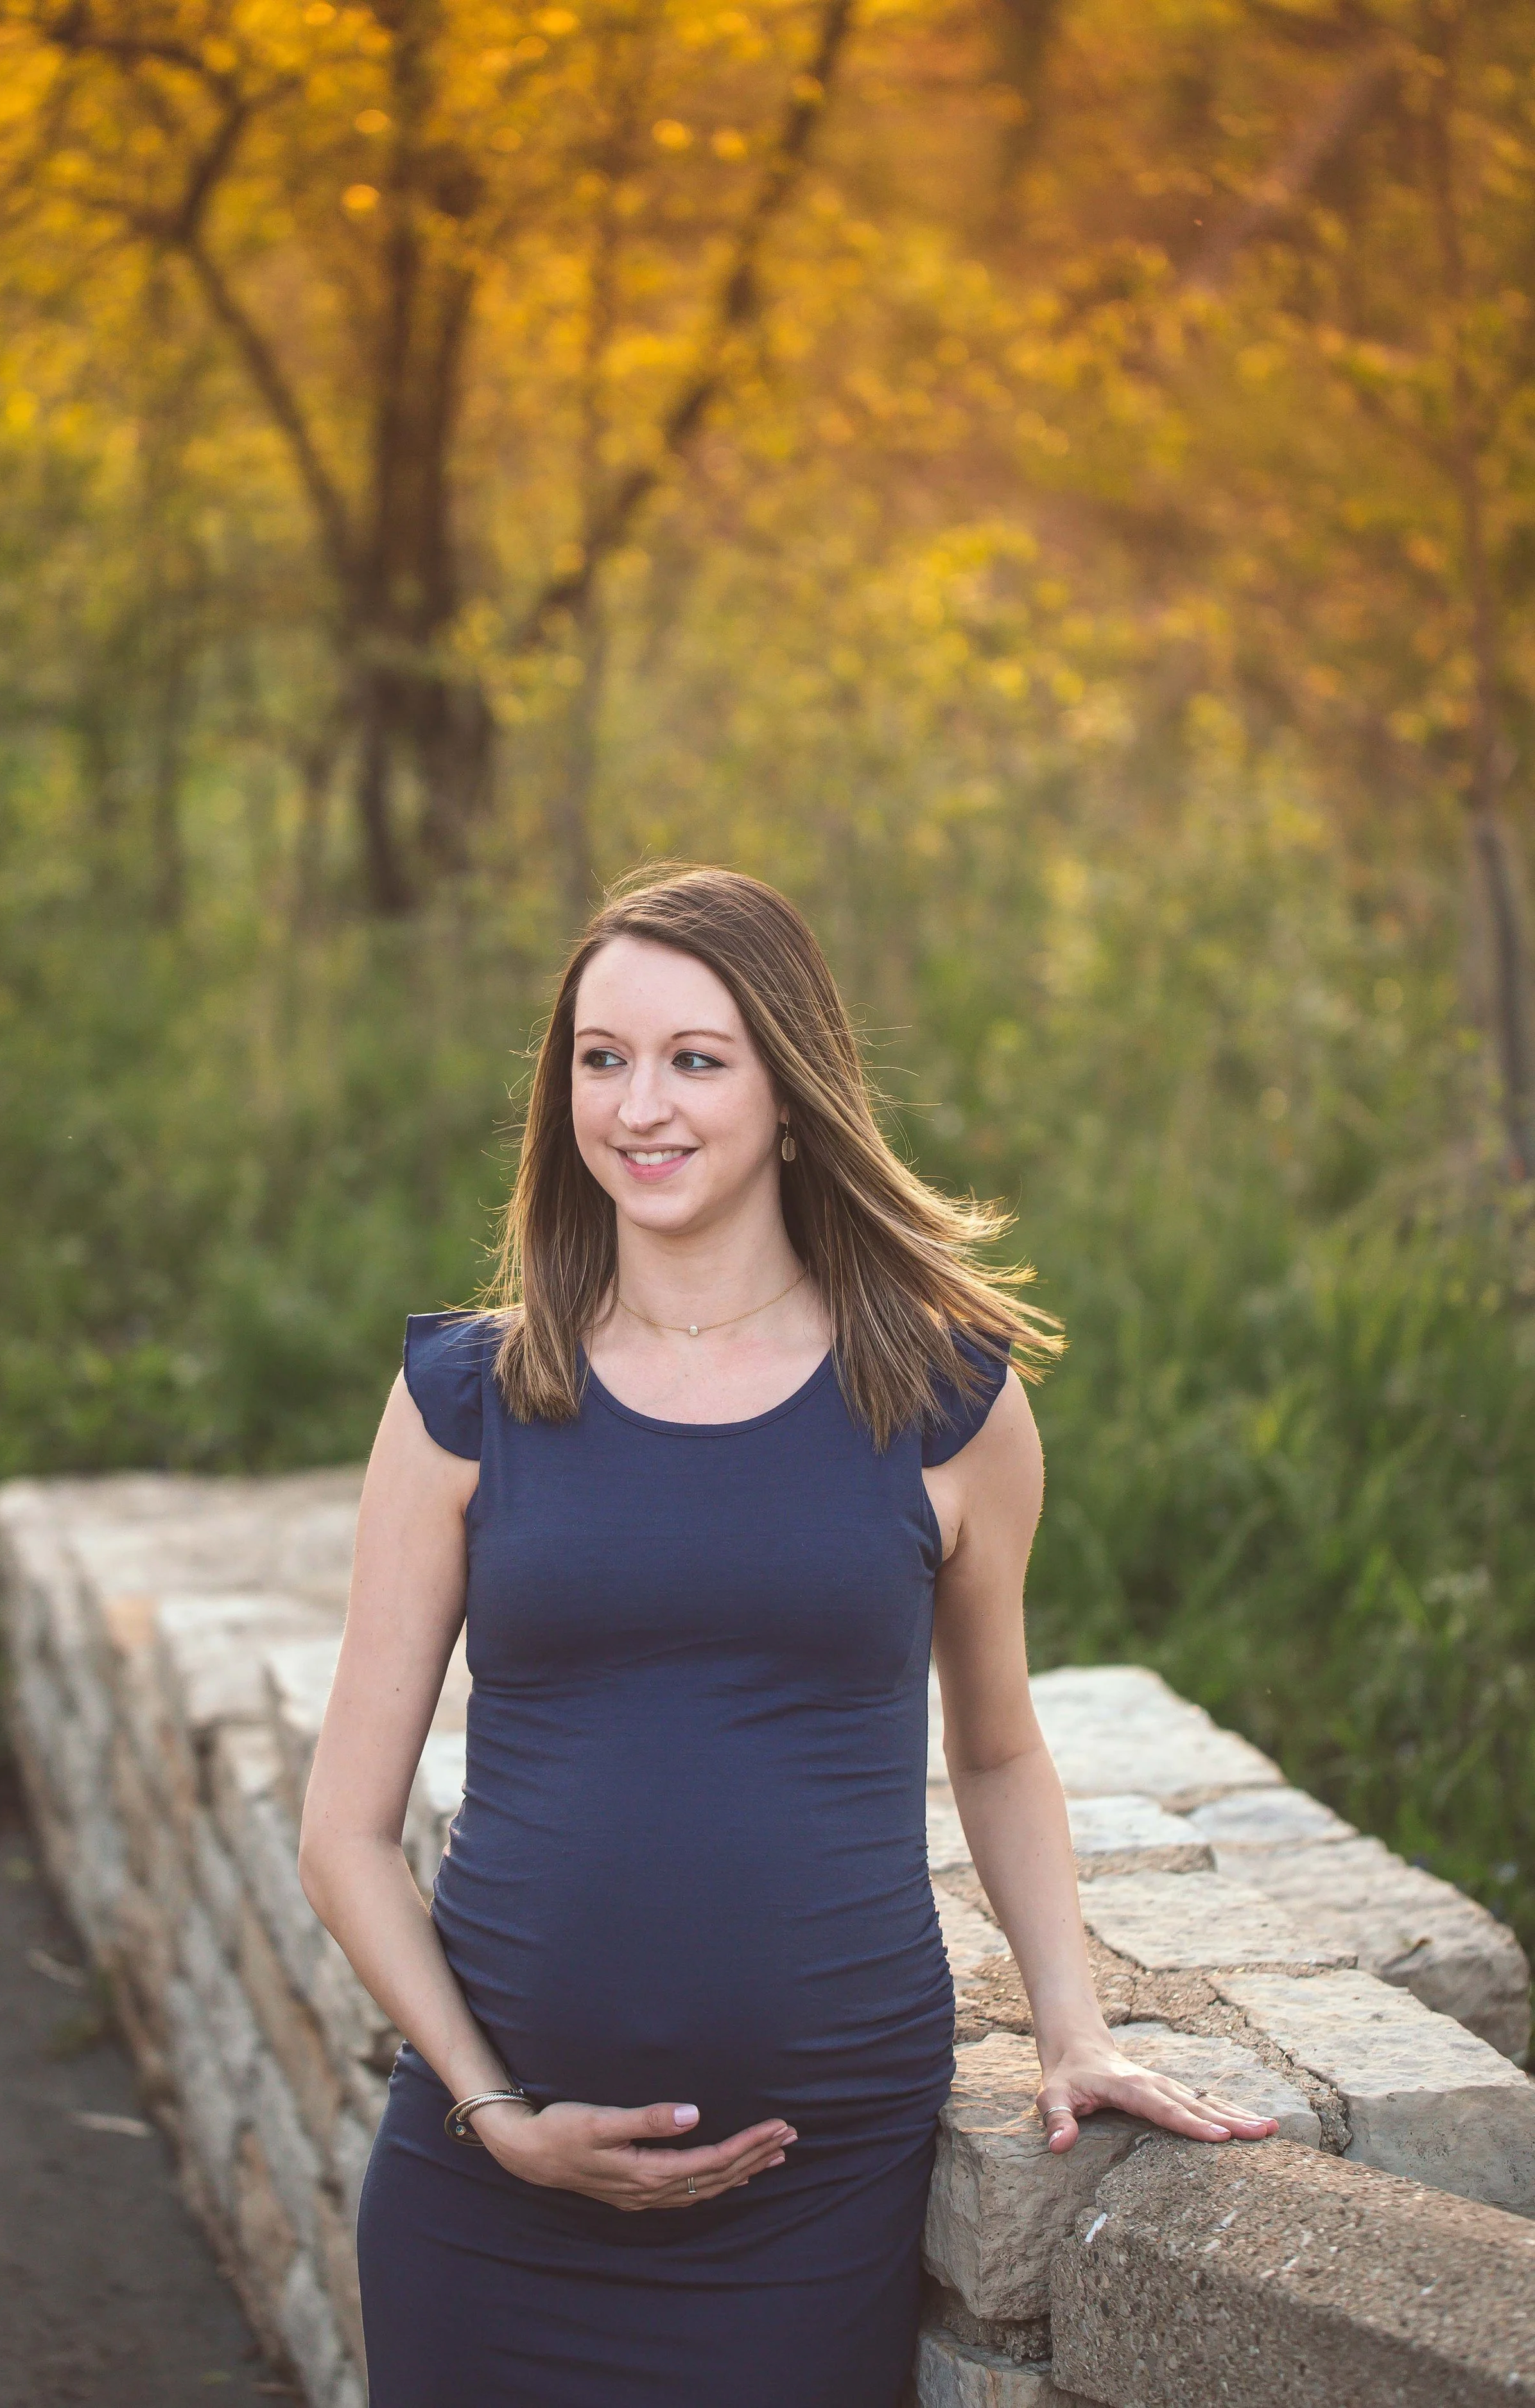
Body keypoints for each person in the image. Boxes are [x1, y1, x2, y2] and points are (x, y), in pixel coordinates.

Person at [298, 864, 1275, 2408]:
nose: (638, 1105)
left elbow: (1001, 1749)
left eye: (696, 1058)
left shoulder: (946, 1403)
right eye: (599, 1058)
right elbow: (342, 1836)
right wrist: (494, 2113)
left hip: (808, 2191)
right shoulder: (466, 1401)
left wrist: (1070, 2025)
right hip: (485, 2194)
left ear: (791, 1091)